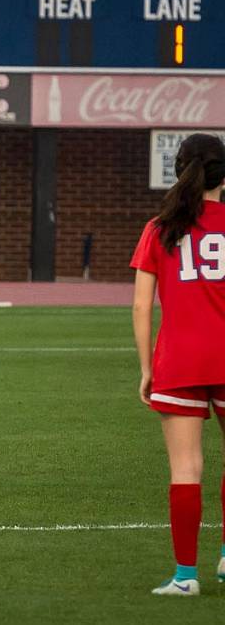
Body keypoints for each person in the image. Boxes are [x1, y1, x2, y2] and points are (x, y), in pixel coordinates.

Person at [131, 132, 225, 596]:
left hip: (179, 362)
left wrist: (147, 368)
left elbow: (141, 307)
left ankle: (186, 578)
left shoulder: (159, 228)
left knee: (186, 469)